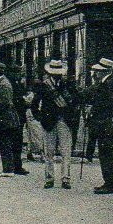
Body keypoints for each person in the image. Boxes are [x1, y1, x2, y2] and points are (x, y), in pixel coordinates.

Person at [32, 59, 80, 189]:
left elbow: (76, 101)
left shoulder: (68, 85)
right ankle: (49, 178)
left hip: (64, 121)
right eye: (54, 73)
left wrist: (73, 117)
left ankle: (65, 179)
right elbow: (34, 104)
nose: (56, 75)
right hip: (48, 122)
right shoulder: (43, 86)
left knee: (66, 151)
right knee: (49, 152)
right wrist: (39, 117)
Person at [81, 58, 113, 194]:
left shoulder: (106, 84)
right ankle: (110, 182)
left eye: (96, 71)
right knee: (106, 153)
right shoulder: (110, 82)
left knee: (106, 153)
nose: (94, 73)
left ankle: (110, 183)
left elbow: (103, 102)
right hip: (107, 122)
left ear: (101, 72)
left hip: (104, 123)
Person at [9, 68, 29, 175]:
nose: (20, 75)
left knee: (16, 141)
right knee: (16, 142)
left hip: (17, 117)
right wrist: (25, 101)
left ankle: (13, 165)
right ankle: (16, 166)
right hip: (16, 117)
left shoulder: (17, 84)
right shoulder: (13, 85)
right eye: (18, 72)